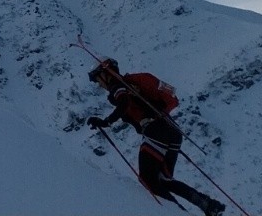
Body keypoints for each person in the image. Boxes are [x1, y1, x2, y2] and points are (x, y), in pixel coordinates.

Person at [86, 58, 224, 216]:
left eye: (98, 79)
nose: (99, 84)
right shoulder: (132, 84)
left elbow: (123, 103)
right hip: (173, 132)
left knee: (148, 179)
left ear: (106, 74)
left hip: (156, 131)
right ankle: (208, 205)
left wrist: (106, 122)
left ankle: (178, 213)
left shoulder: (118, 85)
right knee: (164, 180)